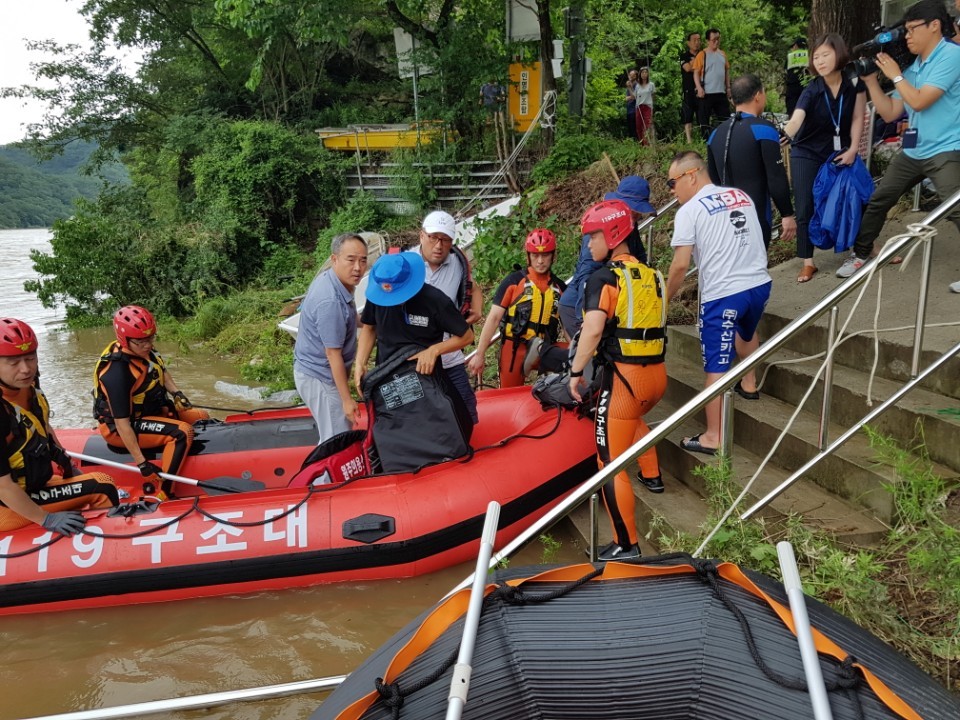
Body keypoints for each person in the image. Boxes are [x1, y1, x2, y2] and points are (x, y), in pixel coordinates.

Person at [567, 200, 668, 562]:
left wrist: (575, 372)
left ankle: (626, 544)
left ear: (611, 235)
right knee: (632, 422)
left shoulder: (604, 278)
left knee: (608, 463)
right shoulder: (652, 274)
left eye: (592, 236)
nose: (589, 244)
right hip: (656, 377)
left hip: (625, 380)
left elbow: (593, 330)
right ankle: (653, 476)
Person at [837, 0, 960, 282]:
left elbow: (918, 101)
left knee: (955, 208)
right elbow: (891, 111)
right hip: (915, 150)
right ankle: (861, 254)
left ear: (934, 26)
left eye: (912, 29)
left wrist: (895, 75)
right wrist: (871, 81)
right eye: (906, 30)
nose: (907, 36)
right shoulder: (915, 66)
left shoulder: (952, 56)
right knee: (880, 199)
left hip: (946, 148)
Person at [665, 152, 772, 455]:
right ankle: (749, 384)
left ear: (691, 175)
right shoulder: (740, 195)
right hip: (759, 284)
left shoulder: (689, 211)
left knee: (716, 366)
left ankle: (714, 436)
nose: (671, 191)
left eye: (672, 183)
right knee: (746, 332)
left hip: (723, 295)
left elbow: (680, 265)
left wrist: (664, 301)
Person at [1, 318, 118, 534]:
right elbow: (3, 486)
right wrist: (45, 519)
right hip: (7, 505)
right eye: (13, 363)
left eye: (30, 358)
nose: (26, 369)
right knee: (103, 485)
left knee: (82, 483)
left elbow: (43, 429)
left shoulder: (29, 386)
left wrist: (67, 465)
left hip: (31, 485)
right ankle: (114, 544)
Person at [93, 305, 210, 499]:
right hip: (119, 428)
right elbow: (122, 424)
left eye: (150, 339)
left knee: (201, 416)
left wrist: (177, 393)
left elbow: (161, 370)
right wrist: (142, 463)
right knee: (182, 433)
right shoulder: (117, 373)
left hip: (149, 413)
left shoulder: (144, 351)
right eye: (141, 342)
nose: (148, 345)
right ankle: (165, 491)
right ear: (125, 340)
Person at [782, 34, 867, 283]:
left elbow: (857, 117)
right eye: (816, 56)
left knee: (854, 196)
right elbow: (797, 118)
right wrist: (785, 133)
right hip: (806, 151)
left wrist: (853, 149)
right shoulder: (812, 89)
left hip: (839, 151)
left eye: (825, 55)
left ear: (838, 54)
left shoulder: (854, 83)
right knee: (805, 205)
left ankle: (866, 248)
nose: (819, 61)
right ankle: (808, 262)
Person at [353, 252, 475, 402]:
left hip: (426, 378)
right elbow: (369, 328)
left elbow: (467, 336)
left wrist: (434, 350)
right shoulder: (378, 297)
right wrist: (360, 363)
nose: (393, 300)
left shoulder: (434, 300)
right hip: (389, 377)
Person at [558, 176, 655, 340]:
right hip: (577, 305)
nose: (637, 215)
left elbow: (640, 261)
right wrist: (584, 317)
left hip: (606, 303)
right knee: (589, 352)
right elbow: (587, 275)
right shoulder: (600, 227)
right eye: (634, 210)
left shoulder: (630, 225)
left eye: (639, 212)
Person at [707, 73, 797, 250]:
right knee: (757, 262)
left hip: (727, 219)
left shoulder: (715, 134)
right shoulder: (764, 129)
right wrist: (787, 214)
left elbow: (714, 181)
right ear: (758, 96)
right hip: (757, 216)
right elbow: (776, 176)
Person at [467, 229, 567, 387]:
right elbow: (493, 319)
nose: (540, 261)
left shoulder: (560, 288)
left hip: (545, 348)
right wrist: (480, 354)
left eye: (545, 255)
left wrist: (581, 354)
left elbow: (566, 326)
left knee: (576, 355)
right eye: (535, 255)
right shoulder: (513, 282)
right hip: (514, 348)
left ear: (553, 256)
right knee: (508, 394)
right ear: (528, 256)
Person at [293, 233, 368, 443]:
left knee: (333, 432)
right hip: (320, 376)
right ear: (334, 259)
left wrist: (372, 324)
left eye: (363, 260)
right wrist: (346, 400)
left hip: (314, 370)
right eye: (351, 260)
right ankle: (326, 467)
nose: (358, 268)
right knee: (336, 437)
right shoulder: (330, 301)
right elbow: (332, 354)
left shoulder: (336, 280)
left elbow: (350, 317)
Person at [412, 211, 482, 423]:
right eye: (433, 237)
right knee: (422, 418)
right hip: (416, 359)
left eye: (445, 239)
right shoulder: (407, 264)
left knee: (467, 411)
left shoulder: (457, 263)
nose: (439, 245)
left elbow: (473, 286)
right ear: (422, 235)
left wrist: (477, 309)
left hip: (450, 353)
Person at [693, 28, 732, 140]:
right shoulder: (702, 54)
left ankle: (725, 139)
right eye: (714, 39)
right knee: (704, 120)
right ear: (707, 41)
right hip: (707, 93)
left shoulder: (722, 54)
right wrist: (699, 88)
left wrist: (728, 88)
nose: (716, 41)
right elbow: (696, 73)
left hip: (720, 92)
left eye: (718, 39)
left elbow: (726, 71)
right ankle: (705, 140)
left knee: (725, 118)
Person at [680, 32, 702, 143]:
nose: (697, 42)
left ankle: (703, 138)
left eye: (699, 40)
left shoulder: (704, 54)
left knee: (702, 114)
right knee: (688, 114)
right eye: (694, 40)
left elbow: (705, 69)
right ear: (688, 43)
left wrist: (694, 64)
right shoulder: (684, 56)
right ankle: (689, 140)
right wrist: (698, 65)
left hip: (702, 89)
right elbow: (687, 68)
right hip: (688, 89)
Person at [784, 37, 809, 115]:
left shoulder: (790, 56)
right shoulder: (809, 55)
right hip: (806, 86)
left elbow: (786, 71)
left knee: (791, 109)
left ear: (796, 45)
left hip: (792, 86)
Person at [635, 67, 655, 146]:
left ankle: (647, 145)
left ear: (648, 74)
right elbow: (634, 96)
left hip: (647, 107)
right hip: (639, 107)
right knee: (639, 126)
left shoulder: (651, 85)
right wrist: (629, 87)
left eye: (646, 72)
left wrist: (652, 108)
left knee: (647, 126)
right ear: (640, 74)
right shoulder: (637, 86)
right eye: (642, 72)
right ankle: (642, 144)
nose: (644, 74)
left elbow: (653, 96)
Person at [624, 69, 639, 139]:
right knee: (630, 129)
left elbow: (635, 97)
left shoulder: (637, 85)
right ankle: (632, 143)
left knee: (634, 129)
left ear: (635, 76)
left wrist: (629, 88)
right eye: (629, 74)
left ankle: (636, 142)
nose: (629, 76)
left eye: (631, 75)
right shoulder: (629, 85)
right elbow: (626, 98)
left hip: (635, 110)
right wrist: (629, 97)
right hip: (629, 110)